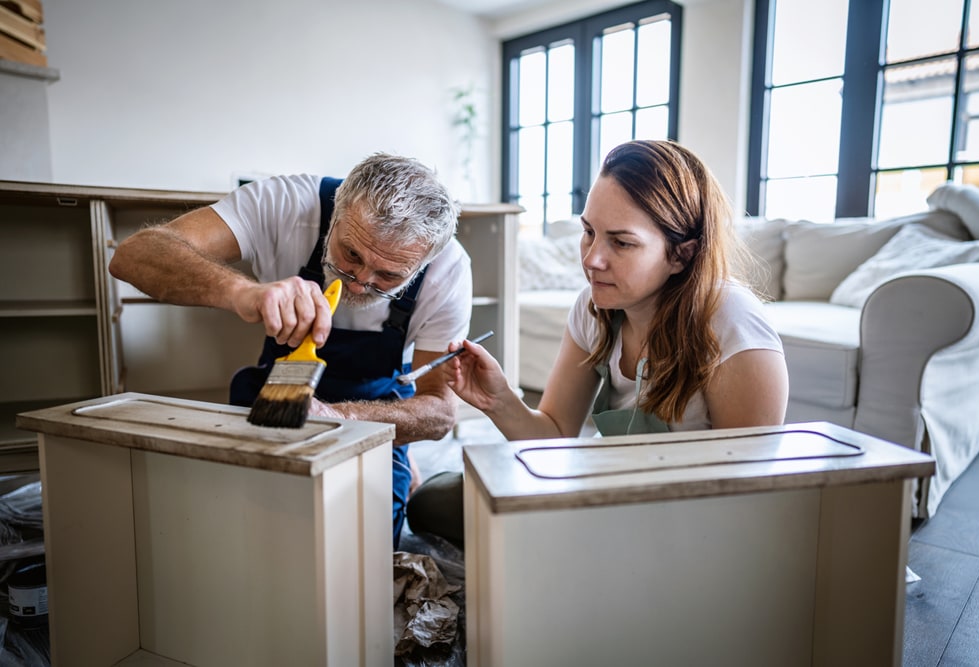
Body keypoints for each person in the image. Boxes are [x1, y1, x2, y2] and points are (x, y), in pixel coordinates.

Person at [406, 139, 788, 544]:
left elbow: (747, 497)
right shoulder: (594, 309)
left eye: (621, 242)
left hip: (689, 523)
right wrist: (499, 401)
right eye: (588, 232)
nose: (592, 259)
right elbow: (554, 437)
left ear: (682, 254)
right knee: (432, 501)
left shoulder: (732, 323)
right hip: (610, 491)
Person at [108, 153, 472, 548]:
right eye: (351, 255)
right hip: (277, 387)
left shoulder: (449, 270)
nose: (358, 283)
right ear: (338, 212)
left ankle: (401, 462)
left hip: (373, 408)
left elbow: (439, 410)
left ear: (423, 263)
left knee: (361, 542)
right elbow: (133, 256)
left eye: (388, 276)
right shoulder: (285, 203)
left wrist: (338, 417)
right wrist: (243, 292)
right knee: (237, 523)